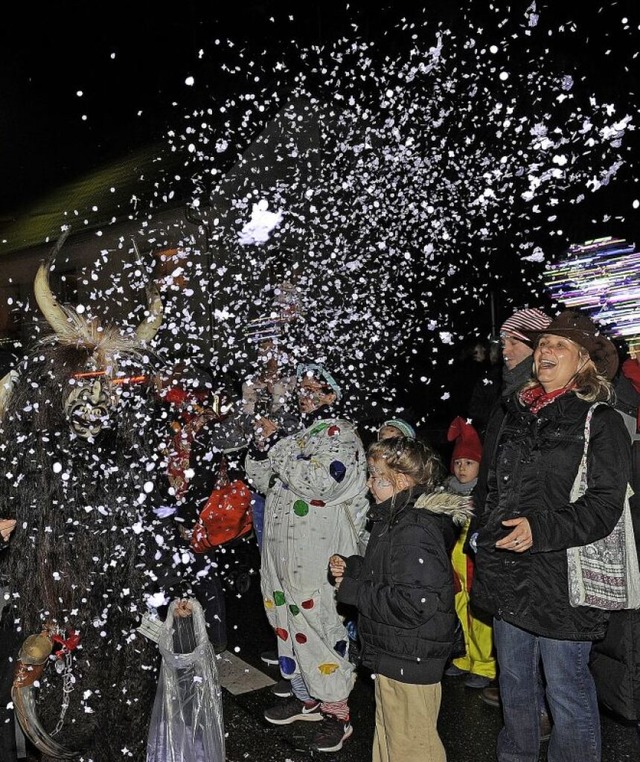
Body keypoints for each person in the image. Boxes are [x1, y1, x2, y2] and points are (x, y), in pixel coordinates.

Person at [471, 309, 632, 762]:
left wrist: (539, 529)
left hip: (564, 578)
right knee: (515, 685)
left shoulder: (600, 421)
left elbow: (604, 506)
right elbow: (491, 488)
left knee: (565, 690)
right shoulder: (515, 412)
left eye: (560, 345)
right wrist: (485, 537)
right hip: (509, 570)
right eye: (543, 344)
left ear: (584, 362)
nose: (546, 350)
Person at [245, 361, 369, 753]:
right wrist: (261, 448)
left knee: (319, 627)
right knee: (284, 619)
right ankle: (307, 698)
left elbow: (320, 482)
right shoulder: (300, 435)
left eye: (318, 389)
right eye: (303, 388)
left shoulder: (342, 435)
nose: (307, 395)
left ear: (334, 395)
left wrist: (280, 443)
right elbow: (264, 480)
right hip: (282, 560)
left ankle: (337, 713)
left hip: (316, 558)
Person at [329, 436, 473, 761]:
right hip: (397, 652)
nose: (369, 483)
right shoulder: (395, 518)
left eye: (377, 477)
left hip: (411, 656)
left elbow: (414, 603)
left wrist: (354, 591)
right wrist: (353, 568)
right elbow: (390, 573)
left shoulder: (414, 529)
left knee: (412, 746)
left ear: (402, 481)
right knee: (391, 738)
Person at [471, 307, 552, 708]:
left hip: (526, 526)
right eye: (502, 341)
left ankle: (533, 706)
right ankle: (519, 698)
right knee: (510, 618)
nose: (503, 349)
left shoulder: (535, 398)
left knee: (533, 617)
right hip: (501, 519)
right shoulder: (509, 393)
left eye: (512, 341)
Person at [443, 416, 496, 689]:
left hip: (473, 563)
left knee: (479, 617)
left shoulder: (483, 493)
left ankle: (485, 664)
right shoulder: (447, 491)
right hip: (455, 565)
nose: (462, 468)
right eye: (459, 463)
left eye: (469, 463)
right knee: (459, 610)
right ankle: (465, 657)